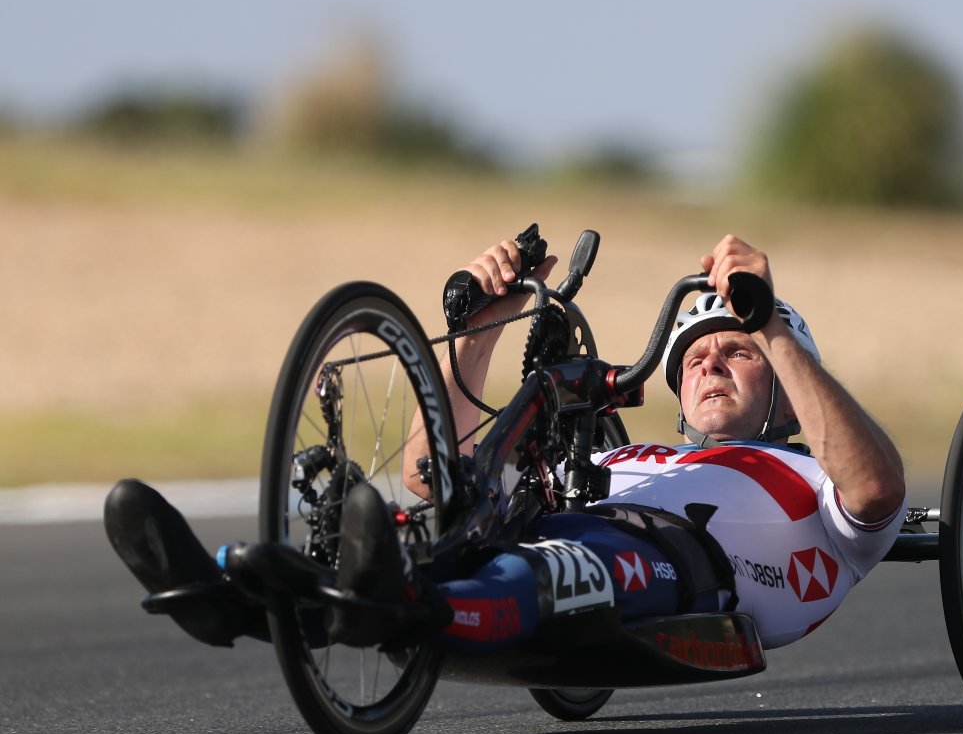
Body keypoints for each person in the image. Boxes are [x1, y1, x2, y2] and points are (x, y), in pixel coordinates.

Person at [105, 234, 906, 653]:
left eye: (737, 353)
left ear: (786, 380)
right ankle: (224, 592)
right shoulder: (634, 457)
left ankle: (398, 600)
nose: (709, 363)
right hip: (558, 526)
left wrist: (764, 317)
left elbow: (875, 492)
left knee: (551, 566)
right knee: (438, 526)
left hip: (679, 566)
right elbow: (430, 474)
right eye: (694, 356)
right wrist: (480, 333)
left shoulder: (810, 473)